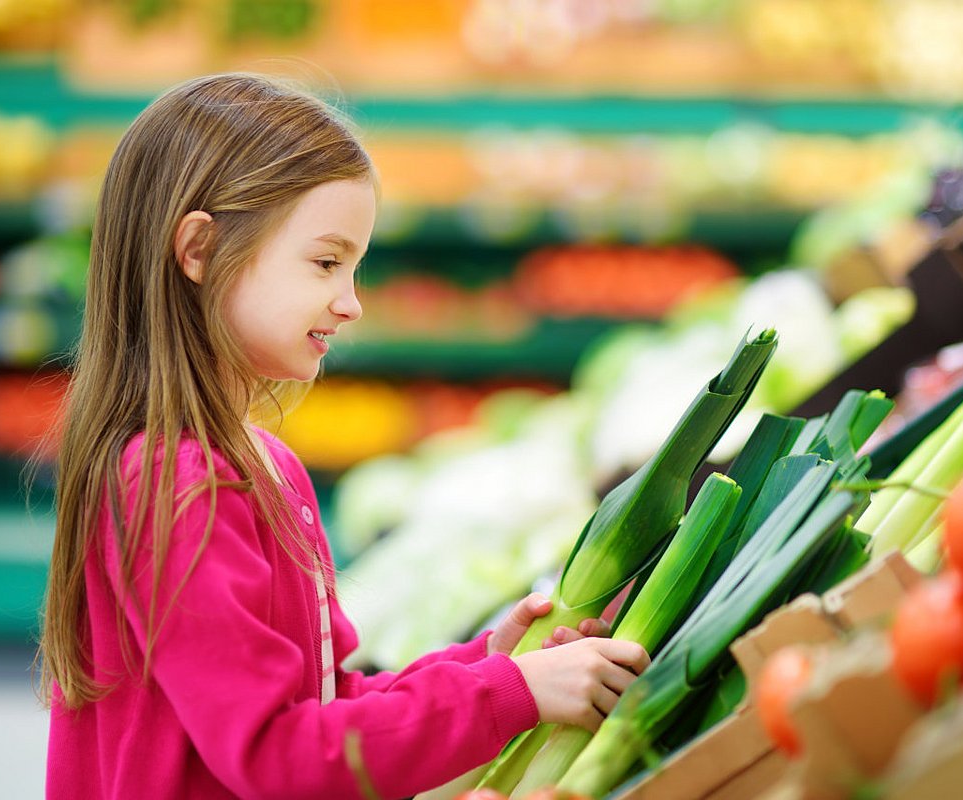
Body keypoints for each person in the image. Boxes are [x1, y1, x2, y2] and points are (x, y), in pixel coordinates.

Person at [38, 73, 649, 800]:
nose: (350, 301)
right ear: (198, 250)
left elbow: (326, 706)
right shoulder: (176, 483)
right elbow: (273, 757)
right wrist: (505, 694)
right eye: (327, 262)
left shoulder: (266, 467)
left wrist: (492, 663)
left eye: (354, 267)